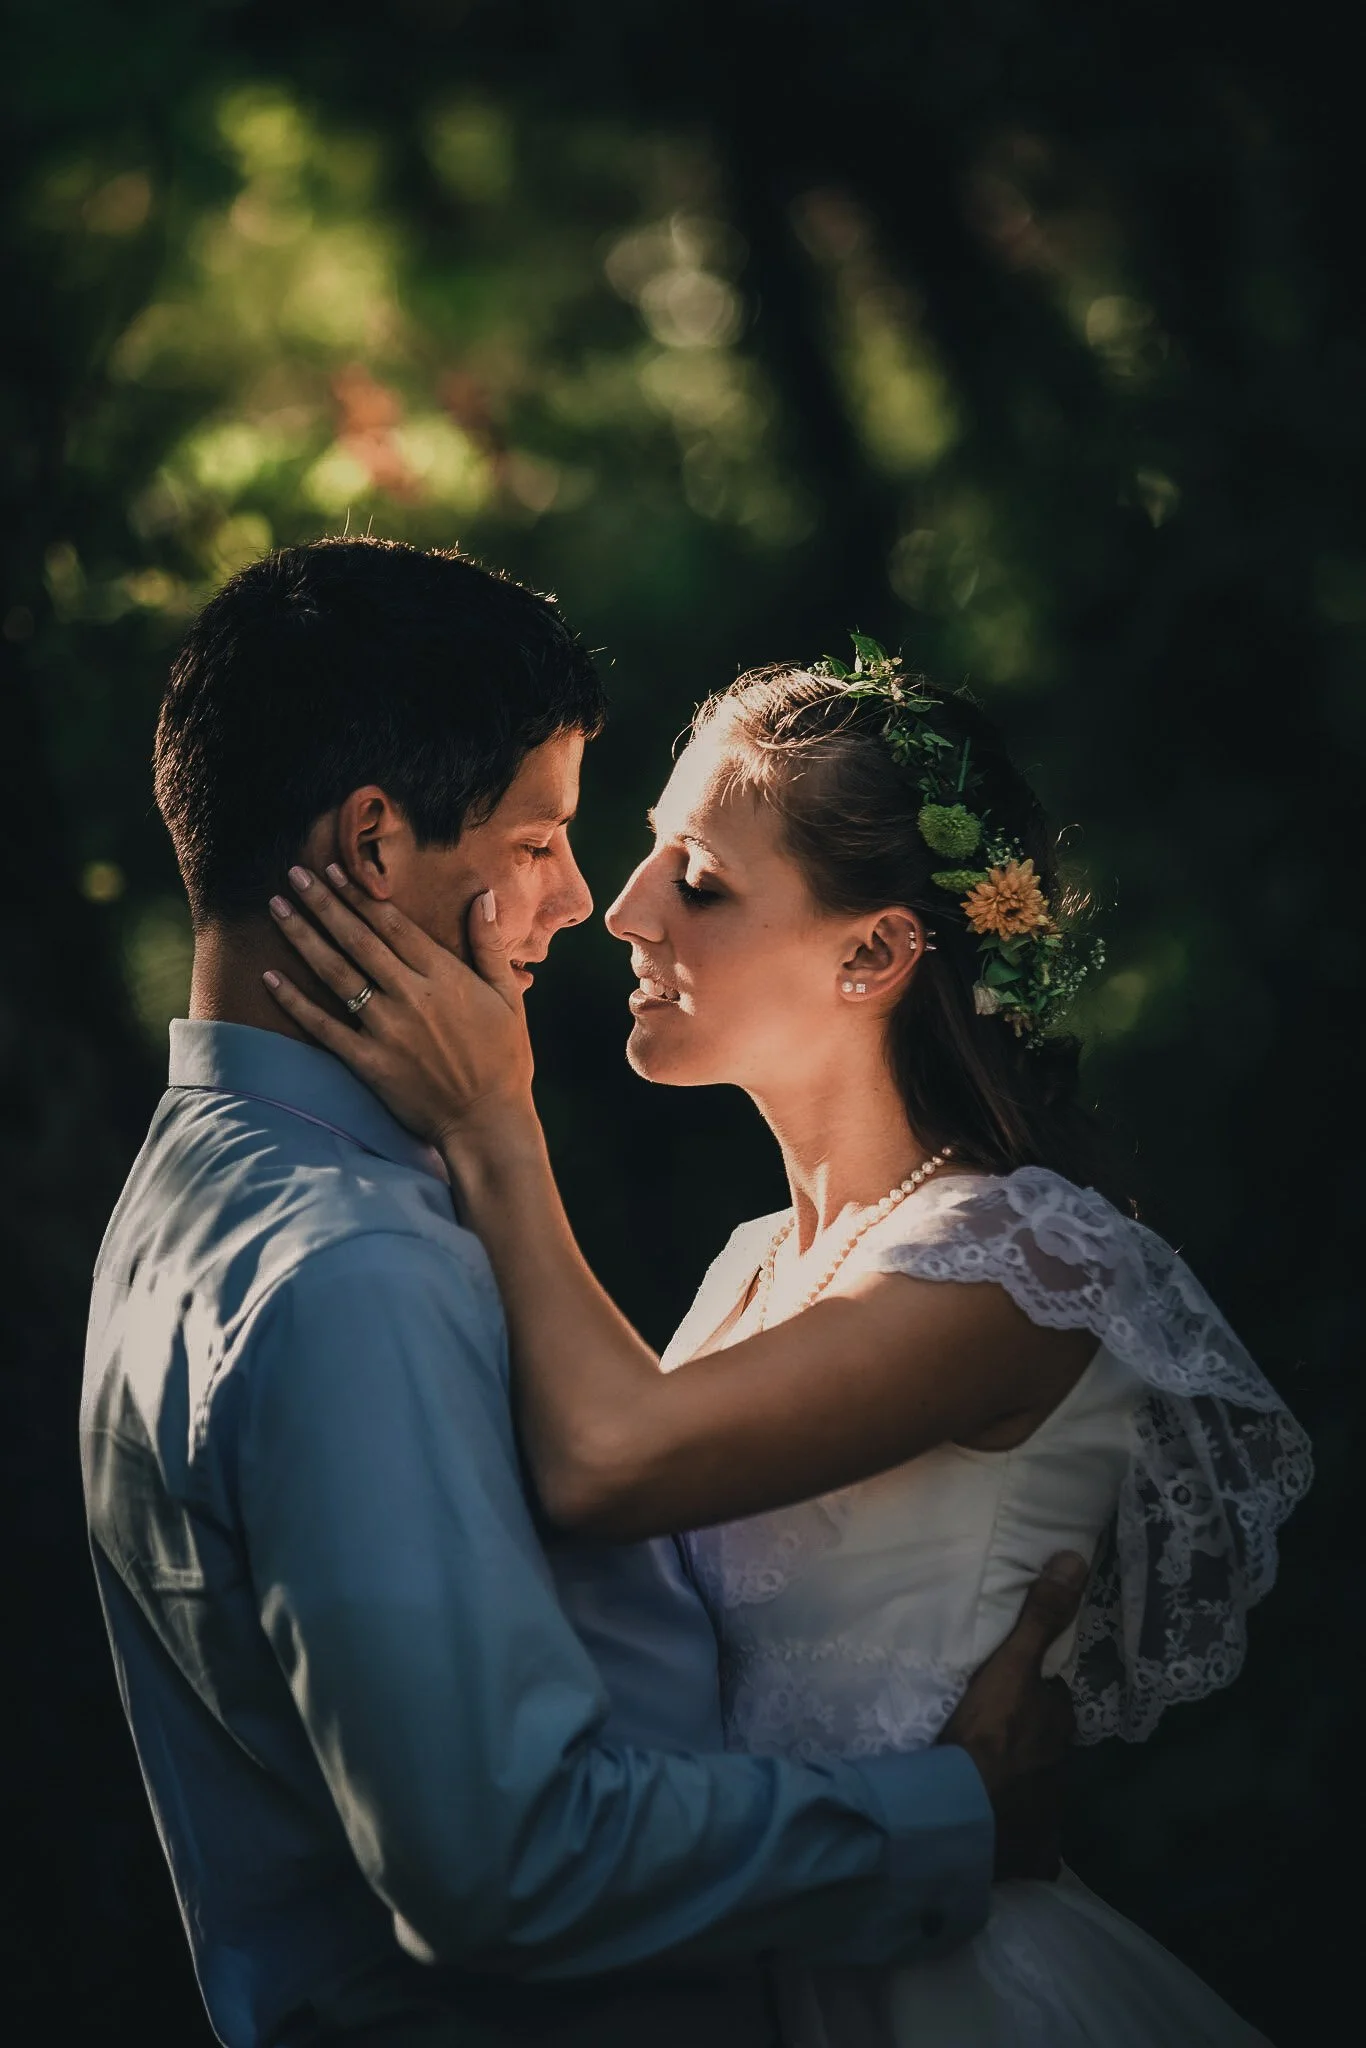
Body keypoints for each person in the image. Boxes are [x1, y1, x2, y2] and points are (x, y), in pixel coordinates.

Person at [82, 542, 1084, 2048]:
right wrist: (949, 1817)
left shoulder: (192, 1199)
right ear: (373, 846)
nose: (584, 902)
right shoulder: (350, 1264)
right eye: (543, 837)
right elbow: (502, 1865)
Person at [264, 636, 1311, 2045]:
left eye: (698, 881)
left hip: (950, 1990)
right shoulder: (751, 1266)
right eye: (647, 859)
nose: (626, 912)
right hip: (769, 1944)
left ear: (873, 951)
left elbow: (604, 1466)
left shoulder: (1016, 1262)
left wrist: (490, 1122)